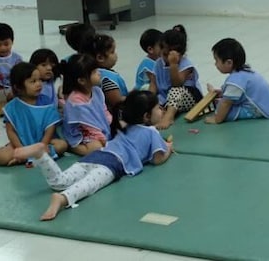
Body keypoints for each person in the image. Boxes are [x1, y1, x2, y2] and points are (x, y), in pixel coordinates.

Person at [12, 91, 172, 221]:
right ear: (146, 116)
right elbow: (158, 159)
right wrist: (169, 149)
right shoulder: (151, 132)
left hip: (96, 155)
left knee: (60, 181)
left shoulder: (125, 125)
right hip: (112, 164)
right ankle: (62, 199)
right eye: (158, 108)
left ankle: (41, 154)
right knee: (88, 186)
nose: (162, 110)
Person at [0, 63, 68, 166]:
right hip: (21, 144)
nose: (39, 84)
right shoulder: (12, 107)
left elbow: (50, 129)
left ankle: (28, 157)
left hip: (43, 142)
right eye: (33, 81)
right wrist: (21, 150)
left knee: (62, 145)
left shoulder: (46, 102)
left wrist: (42, 146)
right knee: (3, 158)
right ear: (18, 87)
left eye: (40, 80)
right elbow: (10, 131)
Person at [203, 38, 269, 124]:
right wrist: (222, 93)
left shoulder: (236, 80)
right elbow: (241, 91)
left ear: (229, 63)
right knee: (222, 102)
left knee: (223, 109)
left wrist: (217, 119)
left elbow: (226, 103)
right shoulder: (245, 71)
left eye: (216, 60)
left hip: (258, 109)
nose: (215, 64)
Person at [150, 25, 202, 130]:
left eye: (170, 56)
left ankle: (168, 117)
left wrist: (173, 65)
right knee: (146, 98)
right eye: (164, 54)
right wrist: (149, 99)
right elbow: (153, 84)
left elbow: (177, 84)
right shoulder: (158, 63)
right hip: (167, 99)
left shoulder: (186, 64)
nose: (166, 59)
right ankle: (163, 112)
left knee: (175, 90)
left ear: (180, 54)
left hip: (189, 96)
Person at [62, 54, 111, 155]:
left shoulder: (96, 91)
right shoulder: (76, 101)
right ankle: (72, 147)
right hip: (83, 133)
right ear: (82, 80)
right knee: (97, 148)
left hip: (99, 128)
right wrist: (103, 139)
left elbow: (104, 110)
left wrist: (110, 124)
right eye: (94, 72)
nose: (99, 73)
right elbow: (88, 125)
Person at [80, 33, 128, 110]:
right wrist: (133, 98)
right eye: (112, 52)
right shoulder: (107, 78)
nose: (115, 54)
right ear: (100, 57)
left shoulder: (94, 73)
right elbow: (116, 102)